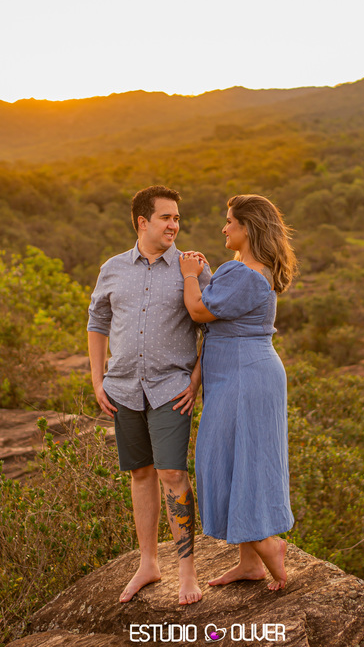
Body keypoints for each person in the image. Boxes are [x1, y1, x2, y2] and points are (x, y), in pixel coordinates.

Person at [87, 185, 210, 605]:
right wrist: (97, 379)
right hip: (123, 388)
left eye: (177, 218)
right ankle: (148, 563)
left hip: (170, 390)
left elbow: (212, 329)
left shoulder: (192, 268)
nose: (174, 225)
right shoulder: (112, 269)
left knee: (172, 474)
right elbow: (97, 322)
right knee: (140, 474)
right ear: (143, 222)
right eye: (166, 217)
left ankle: (187, 571)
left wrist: (195, 382)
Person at [178, 193, 298, 591]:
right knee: (236, 458)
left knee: (234, 457)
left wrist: (190, 274)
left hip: (246, 375)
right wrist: (208, 273)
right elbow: (224, 306)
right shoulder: (244, 272)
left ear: (247, 227)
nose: (224, 228)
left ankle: (267, 544)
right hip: (238, 373)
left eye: (230, 221)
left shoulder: (247, 274)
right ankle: (249, 562)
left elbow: (199, 311)